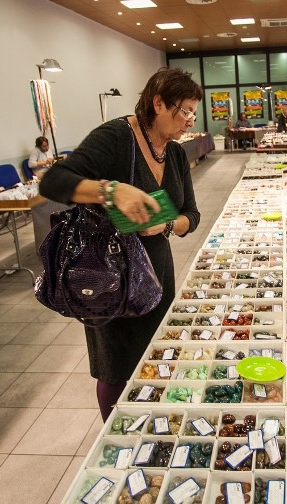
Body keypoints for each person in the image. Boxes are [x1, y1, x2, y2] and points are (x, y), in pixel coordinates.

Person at [39, 67, 202, 420]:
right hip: (109, 274)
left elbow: (191, 214)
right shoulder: (116, 137)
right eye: (185, 111)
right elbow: (53, 181)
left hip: (157, 268)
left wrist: (167, 224)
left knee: (158, 353)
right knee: (117, 365)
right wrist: (111, 190)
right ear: (159, 103)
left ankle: (157, 426)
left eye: (193, 112)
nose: (190, 120)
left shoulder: (173, 153)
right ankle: (118, 440)